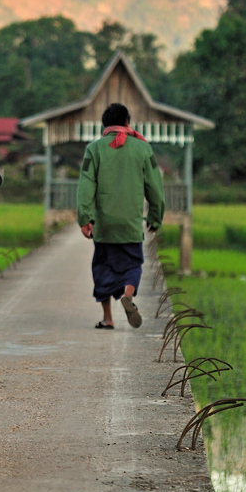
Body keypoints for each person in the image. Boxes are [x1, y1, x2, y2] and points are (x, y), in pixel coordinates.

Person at [76, 103, 165, 330]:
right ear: (127, 122)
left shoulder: (94, 149)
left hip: (104, 225)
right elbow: (155, 186)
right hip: (130, 223)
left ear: (105, 126)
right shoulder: (143, 149)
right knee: (132, 265)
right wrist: (155, 217)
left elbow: (86, 186)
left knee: (103, 268)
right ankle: (128, 294)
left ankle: (108, 318)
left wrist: (85, 218)